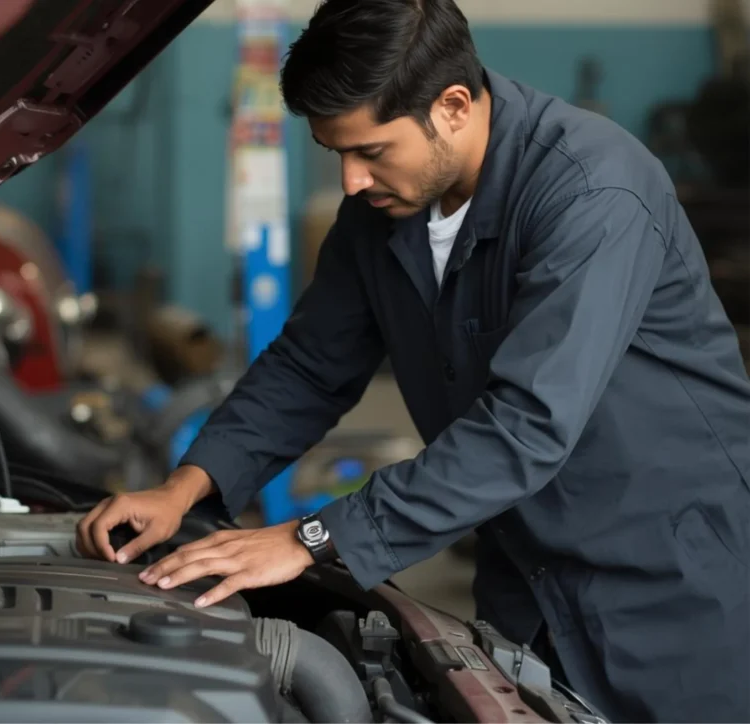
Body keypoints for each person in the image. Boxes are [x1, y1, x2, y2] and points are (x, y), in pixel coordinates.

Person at [76, 0, 750, 720]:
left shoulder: (591, 191)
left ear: (453, 106)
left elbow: (526, 424)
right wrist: (185, 488)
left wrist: (314, 537)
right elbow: (309, 365)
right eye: (337, 153)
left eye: (371, 151)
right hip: (526, 572)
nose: (351, 181)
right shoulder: (382, 211)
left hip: (667, 577)